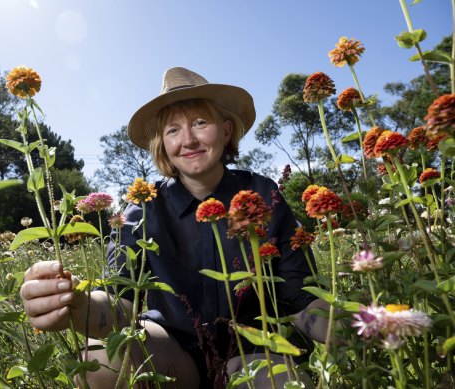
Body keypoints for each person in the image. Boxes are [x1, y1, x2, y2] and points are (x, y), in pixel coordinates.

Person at [20, 67, 330, 388]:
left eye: (200, 123)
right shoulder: (143, 208)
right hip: (173, 352)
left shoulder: (262, 195)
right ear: (162, 144)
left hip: (254, 351)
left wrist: (358, 325)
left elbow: (301, 298)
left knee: (275, 382)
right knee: (100, 361)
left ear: (225, 131)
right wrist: (74, 305)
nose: (188, 140)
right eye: (172, 130)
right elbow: (121, 302)